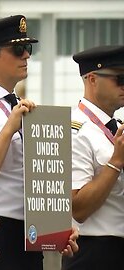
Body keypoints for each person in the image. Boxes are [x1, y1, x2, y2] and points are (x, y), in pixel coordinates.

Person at [0, 15, 79, 270]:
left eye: (28, 49)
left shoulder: (17, 105)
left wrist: (58, 225)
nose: (26, 56)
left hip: (29, 235)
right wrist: (9, 128)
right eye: (18, 50)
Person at [61, 45, 124, 270]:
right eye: (119, 78)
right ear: (92, 79)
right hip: (94, 251)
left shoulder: (116, 128)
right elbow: (77, 208)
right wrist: (116, 162)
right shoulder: (74, 130)